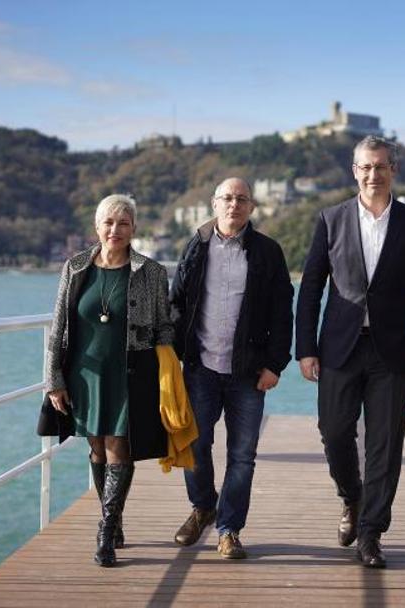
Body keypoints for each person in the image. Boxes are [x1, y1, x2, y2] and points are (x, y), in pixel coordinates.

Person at [295, 135, 405, 568]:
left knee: (385, 445)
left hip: (393, 352)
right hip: (339, 347)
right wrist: (305, 348)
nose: (372, 174)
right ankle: (351, 498)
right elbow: (311, 288)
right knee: (334, 432)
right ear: (354, 171)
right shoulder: (331, 219)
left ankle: (372, 533)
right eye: (365, 167)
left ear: (393, 169)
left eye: (380, 166)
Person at [45, 193, 174, 567]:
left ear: (134, 228)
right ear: (96, 227)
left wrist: (168, 371)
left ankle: (105, 532)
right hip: (83, 375)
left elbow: (165, 325)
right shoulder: (75, 267)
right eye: (108, 223)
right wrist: (54, 378)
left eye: (123, 223)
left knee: (119, 445)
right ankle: (114, 520)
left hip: (130, 373)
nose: (115, 230)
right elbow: (58, 329)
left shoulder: (151, 272)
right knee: (96, 447)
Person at [169, 177, 293, 559]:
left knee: (242, 455)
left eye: (241, 199)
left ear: (252, 207)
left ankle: (229, 529)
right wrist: (172, 356)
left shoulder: (268, 252)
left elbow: (282, 313)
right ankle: (203, 506)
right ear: (214, 203)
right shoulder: (196, 246)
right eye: (227, 198)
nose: (234, 204)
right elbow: (176, 304)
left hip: (248, 372)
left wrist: (275, 364)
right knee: (194, 445)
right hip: (200, 368)